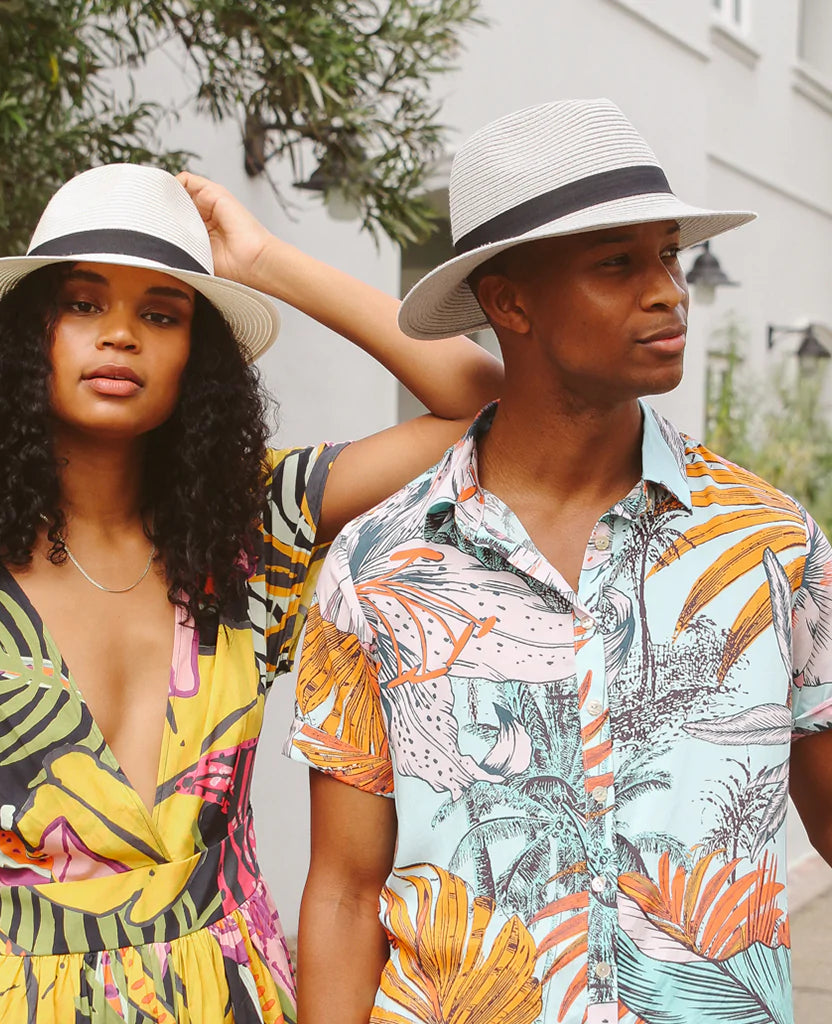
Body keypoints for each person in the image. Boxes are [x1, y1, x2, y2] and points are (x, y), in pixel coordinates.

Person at [0, 163, 503, 1024]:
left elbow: (484, 406)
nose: (120, 336)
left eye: (162, 314)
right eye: (82, 304)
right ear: (28, 336)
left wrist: (265, 265)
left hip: (235, 1000)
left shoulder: (248, 529)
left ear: (197, 357)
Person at [287, 97, 832, 1024]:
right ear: (510, 301)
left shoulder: (771, 546)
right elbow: (344, 892)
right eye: (618, 263)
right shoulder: (376, 569)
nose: (668, 291)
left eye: (670, 254)